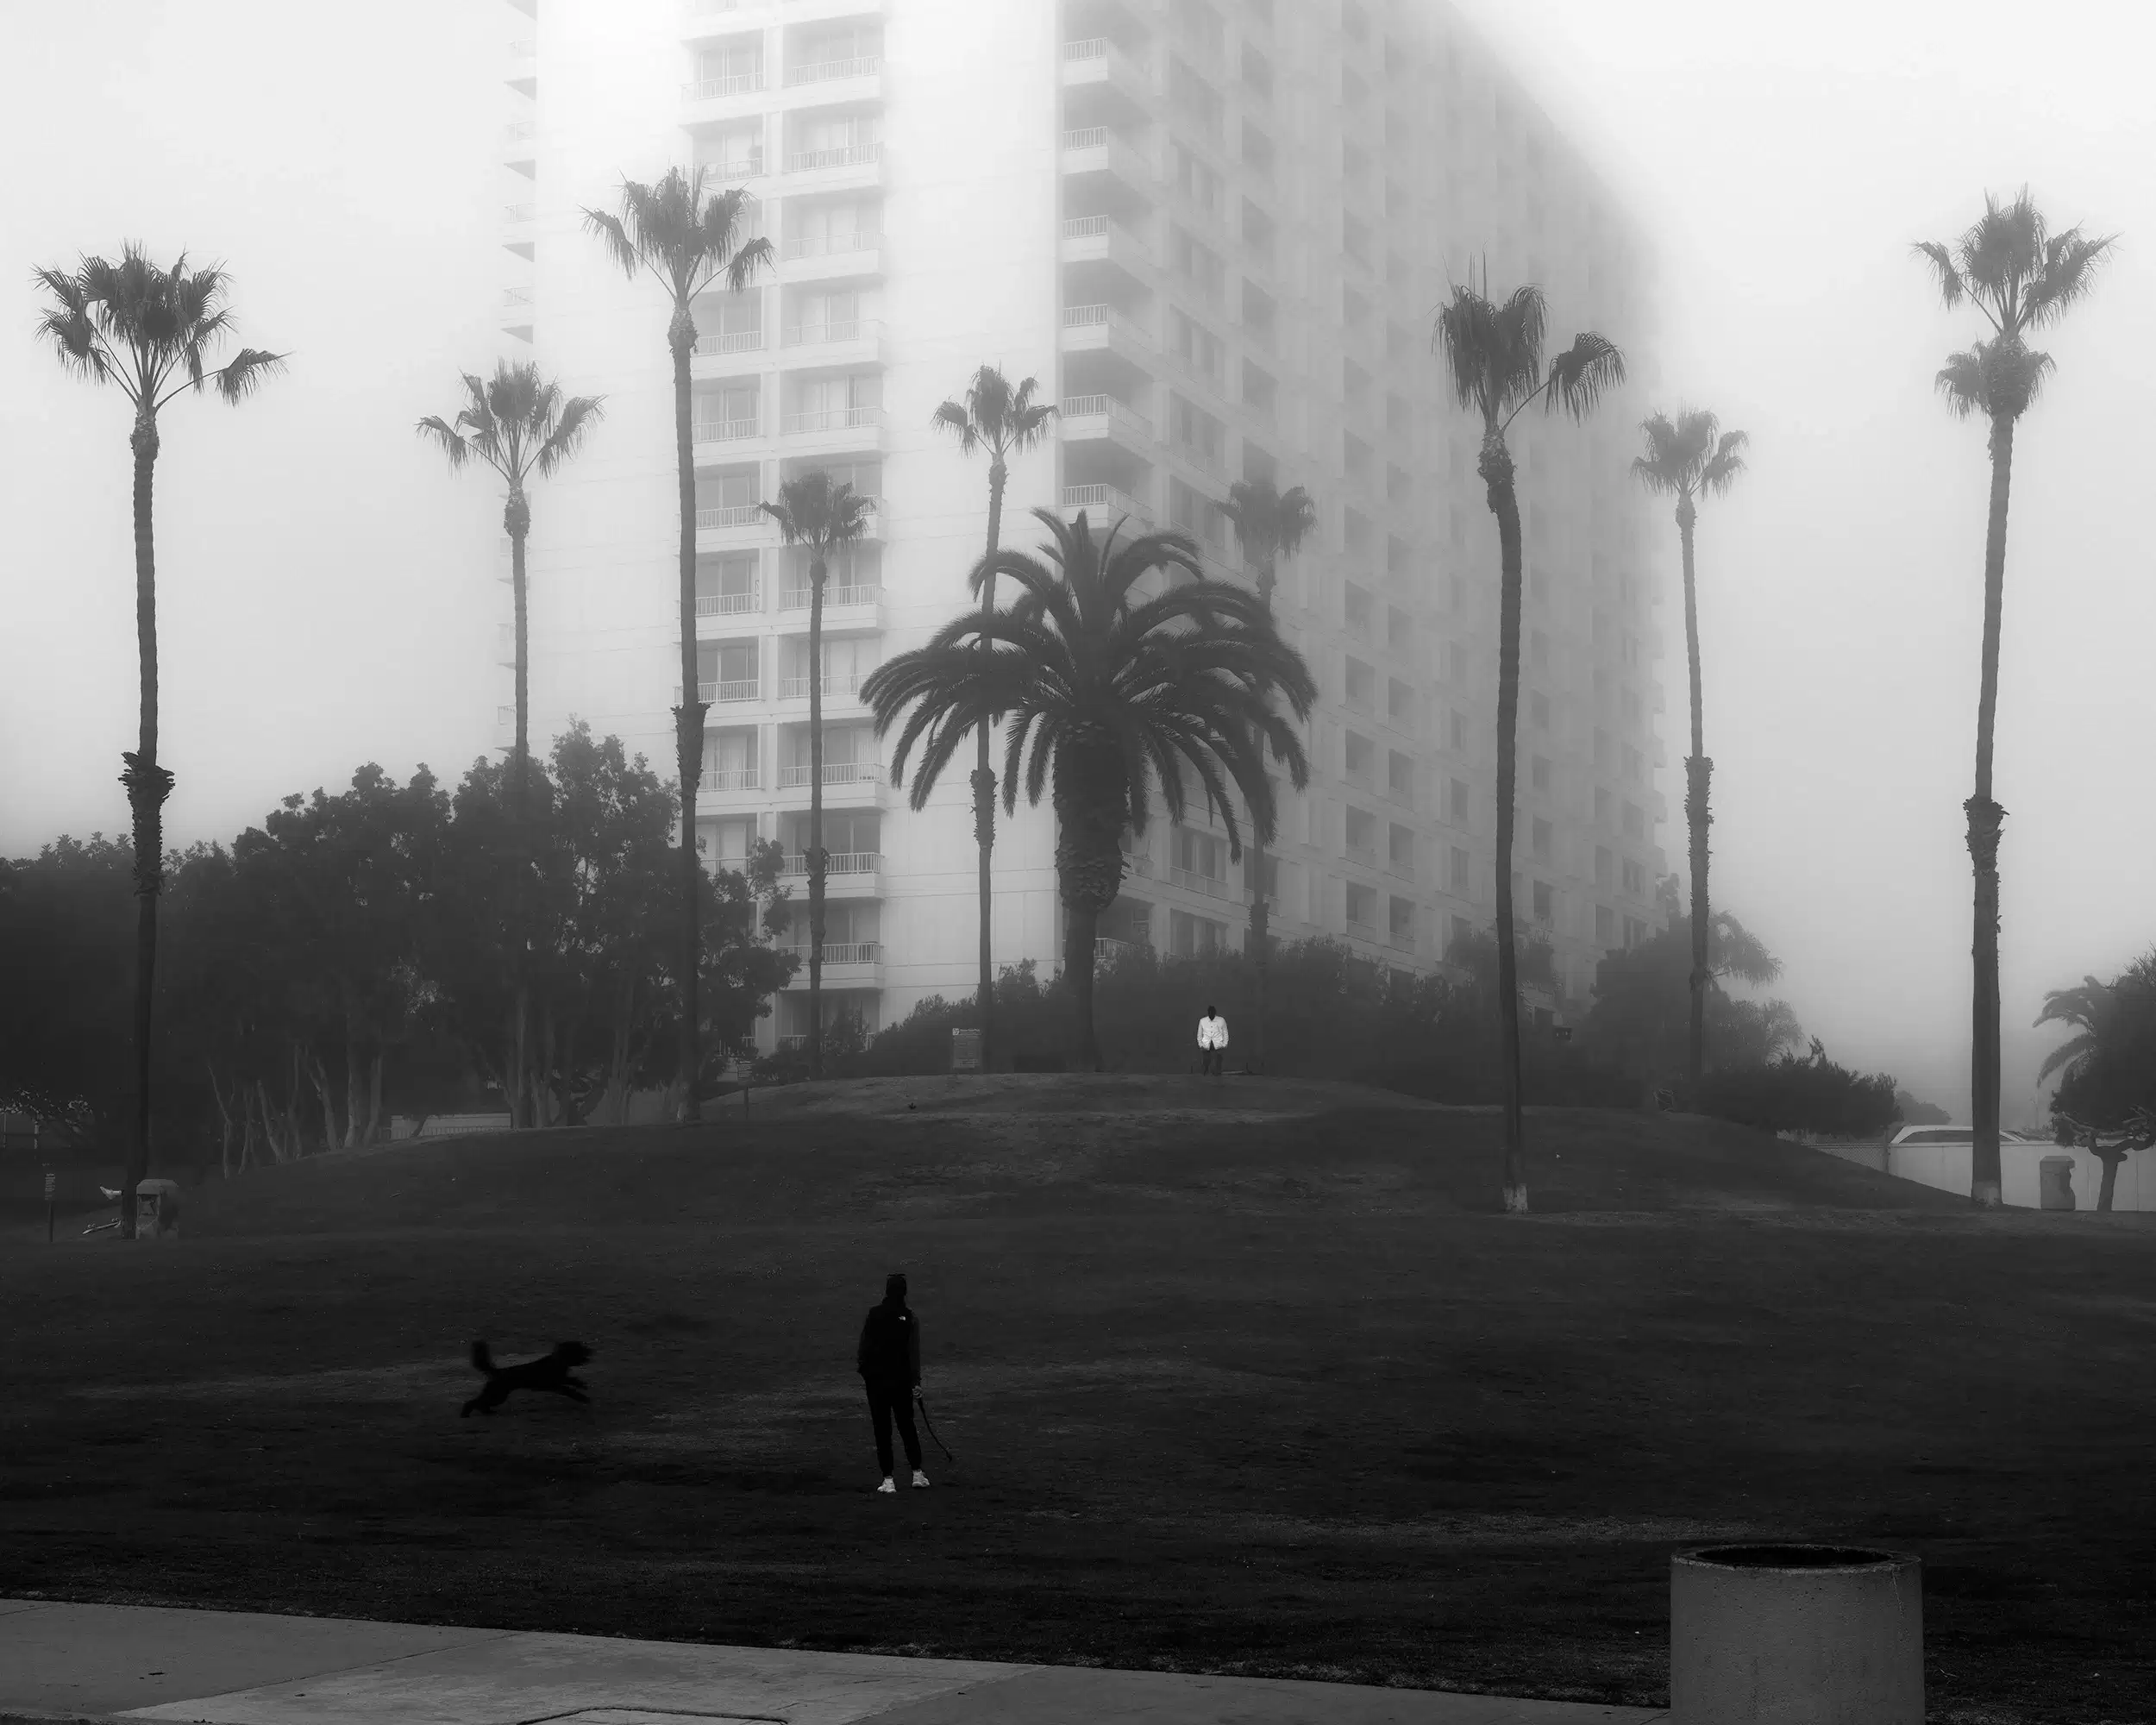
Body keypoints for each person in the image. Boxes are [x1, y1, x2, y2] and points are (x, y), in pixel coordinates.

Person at [856, 1271, 928, 1493]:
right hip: (901, 1382)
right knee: (907, 1426)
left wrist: (867, 1374)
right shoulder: (910, 1317)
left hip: (877, 1383)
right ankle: (917, 1474)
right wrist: (915, 1382)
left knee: (882, 1430)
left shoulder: (874, 1314)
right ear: (904, 1292)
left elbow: (864, 1349)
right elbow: (912, 1353)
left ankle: (888, 1480)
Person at [1197, 1004, 1228, 1079]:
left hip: (1218, 1045)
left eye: (1213, 1012)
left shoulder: (1221, 1020)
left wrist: (1224, 1044)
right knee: (1205, 1063)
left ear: (1215, 1012)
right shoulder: (1202, 1021)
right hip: (1206, 1044)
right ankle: (1204, 1079)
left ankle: (1218, 1079)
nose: (1211, 1014)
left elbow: (1225, 1033)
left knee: (1218, 1063)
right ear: (1208, 1012)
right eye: (1210, 1012)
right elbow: (1199, 1034)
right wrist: (1200, 1044)